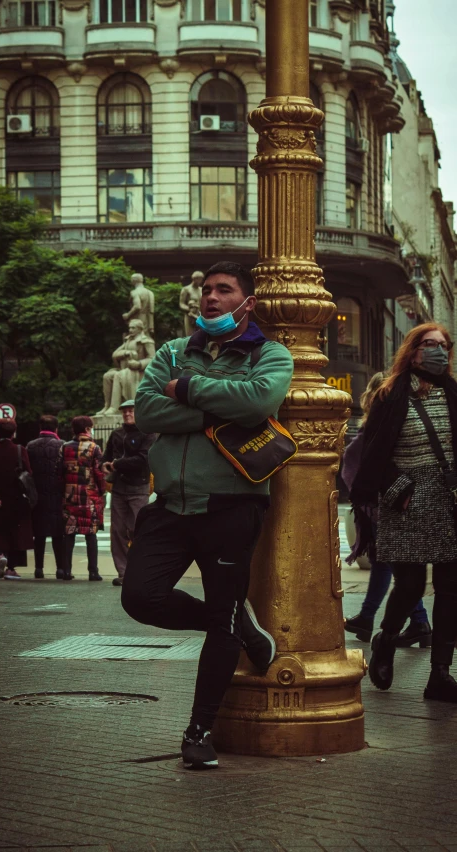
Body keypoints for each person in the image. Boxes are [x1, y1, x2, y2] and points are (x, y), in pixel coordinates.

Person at [121, 260, 294, 769]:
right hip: (170, 506)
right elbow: (148, 409)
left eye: (225, 290)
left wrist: (189, 390)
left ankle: (199, 730)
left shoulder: (270, 353)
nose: (211, 298)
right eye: (208, 291)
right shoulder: (175, 351)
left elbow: (261, 398)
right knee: (140, 598)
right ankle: (241, 625)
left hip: (232, 506)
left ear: (248, 302)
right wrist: (222, 406)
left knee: (220, 620)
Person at [350, 323, 457, 703]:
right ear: (412, 351)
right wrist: (399, 490)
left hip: (450, 498)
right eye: (430, 344)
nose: (438, 351)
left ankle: (440, 674)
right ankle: (386, 641)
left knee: (450, 589)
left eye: (444, 345)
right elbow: (374, 453)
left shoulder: (453, 392)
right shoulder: (390, 394)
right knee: (410, 585)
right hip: (407, 498)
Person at [342, 373, 431, 646]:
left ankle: (417, 623)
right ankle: (378, 619)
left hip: (382, 505)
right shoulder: (385, 424)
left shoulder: (376, 427)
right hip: (385, 504)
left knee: (395, 566)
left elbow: (357, 464)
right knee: (384, 563)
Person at [102, 400, 155, 587]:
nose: (127, 414)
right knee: (117, 532)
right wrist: (105, 465)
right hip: (119, 488)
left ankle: (138, 571)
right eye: (124, 412)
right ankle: (123, 572)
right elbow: (106, 456)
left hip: (138, 488)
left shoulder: (148, 433)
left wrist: (116, 464)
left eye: (131, 411)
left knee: (137, 530)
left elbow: (142, 460)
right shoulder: (116, 434)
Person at [0, 419, 34, 579]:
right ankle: (11, 568)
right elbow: (28, 472)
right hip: (17, 497)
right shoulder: (20, 450)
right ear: (14, 433)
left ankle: (0, 554)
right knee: (16, 530)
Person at [59, 416, 105, 581]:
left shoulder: (64, 448)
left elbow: (60, 473)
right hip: (89, 497)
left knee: (69, 534)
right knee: (91, 534)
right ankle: (93, 571)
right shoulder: (94, 448)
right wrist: (102, 491)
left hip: (69, 495)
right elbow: (99, 473)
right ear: (87, 429)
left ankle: (66, 570)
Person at [27, 414, 65, 580]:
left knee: (39, 535)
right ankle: (60, 569)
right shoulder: (62, 445)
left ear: (40, 428)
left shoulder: (31, 446)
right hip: (57, 495)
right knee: (58, 535)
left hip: (37, 495)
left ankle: (38, 568)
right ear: (56, 429)